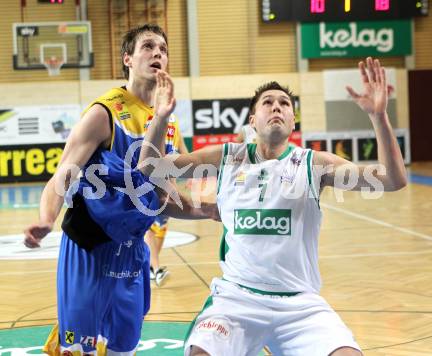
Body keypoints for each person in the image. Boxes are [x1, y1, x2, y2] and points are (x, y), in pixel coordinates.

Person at [139, 57, 407, 356]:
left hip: (300, 304)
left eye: (284, 103)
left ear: (294, 120)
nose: (276, 106)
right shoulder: (227, 156)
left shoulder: (314, 164)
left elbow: (391, 179)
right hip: (236, 299)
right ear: (252, 120)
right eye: (267, 102)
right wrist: (161, 118)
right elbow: (151, 168)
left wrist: (379, 117)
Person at [23, 24, 215, 355]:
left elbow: (161, 198)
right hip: (89, 247)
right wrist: (46, 218)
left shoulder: (166, 120)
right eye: (148, 47)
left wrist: (210, 211)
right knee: (79, 350)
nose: (158, 53)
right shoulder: (104, 112)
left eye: (164, 49)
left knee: (123, 348)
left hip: (131, 251)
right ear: (127, 58)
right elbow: (63, 175)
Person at [146, 136, 189, 287]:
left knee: (161, 225)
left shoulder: (174, 124)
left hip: (168, 184)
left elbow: (184, 153)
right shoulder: (151, 121)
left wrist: (191, 175)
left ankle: (151, 266)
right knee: (148, 227)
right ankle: (156, 269)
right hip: (148, 182)